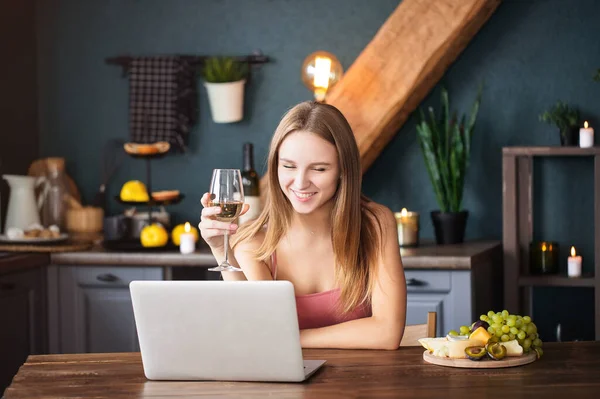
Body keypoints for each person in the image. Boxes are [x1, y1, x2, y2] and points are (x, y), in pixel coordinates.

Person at [199, 101, 407, 350]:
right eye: (288, 166)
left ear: (343, 170)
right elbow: (261, 329)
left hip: (362, 385)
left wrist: (293, 338)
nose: (300, 183)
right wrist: (218, 247)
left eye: (318, 169)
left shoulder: (375, 225)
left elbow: (387, 333)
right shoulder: (253, 243)